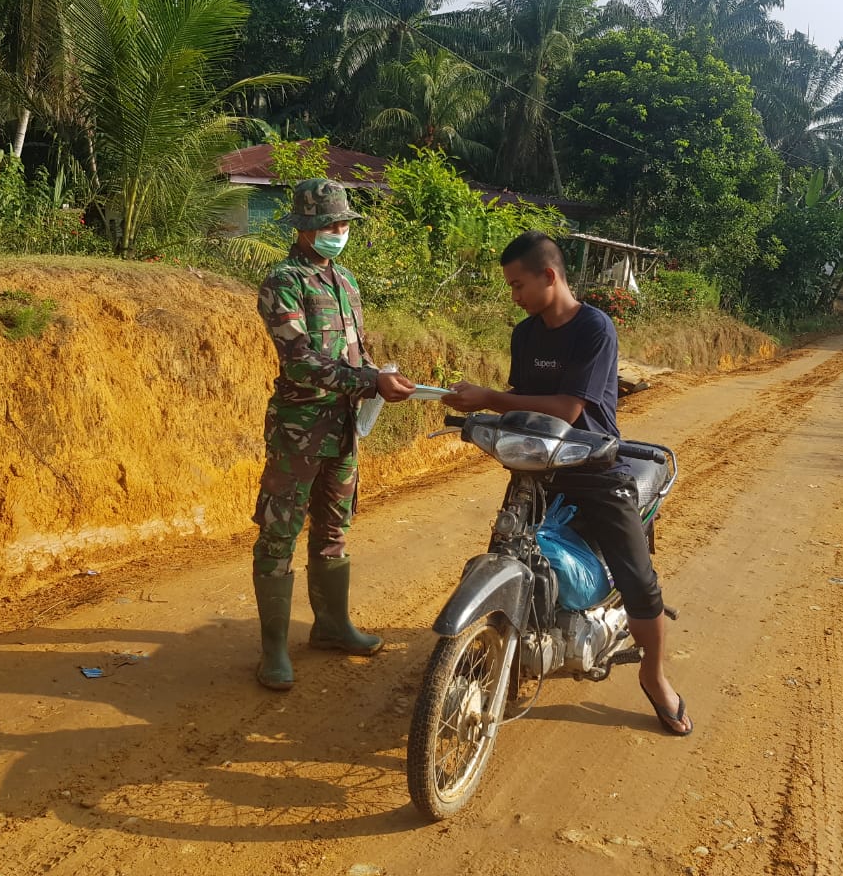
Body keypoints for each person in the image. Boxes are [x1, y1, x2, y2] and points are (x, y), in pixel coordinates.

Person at [441, 230, 693, 735]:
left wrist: (490, 398)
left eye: (517, 285)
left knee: (639, 582)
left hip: (595, 467)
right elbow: (523, 396)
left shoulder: (594, 328)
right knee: (507, 549)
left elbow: (568, 408)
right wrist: (476, 406)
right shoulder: (525, 333)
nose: (514, 296)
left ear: (548, 276)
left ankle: (654, 675)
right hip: (537, 465)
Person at [251, 178, 415, 691]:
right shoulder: (283, 282)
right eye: (328, 224)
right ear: (304, 227)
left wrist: (377, 378)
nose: (338, 231)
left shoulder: (345, 281)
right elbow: (299, 360)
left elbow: (355, 351)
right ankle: (274, 649)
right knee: (280, 531)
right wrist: (369, 381)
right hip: (299, 432)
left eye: (343, 223)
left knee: (334, 529)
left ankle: (332, 626)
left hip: (343, 429)